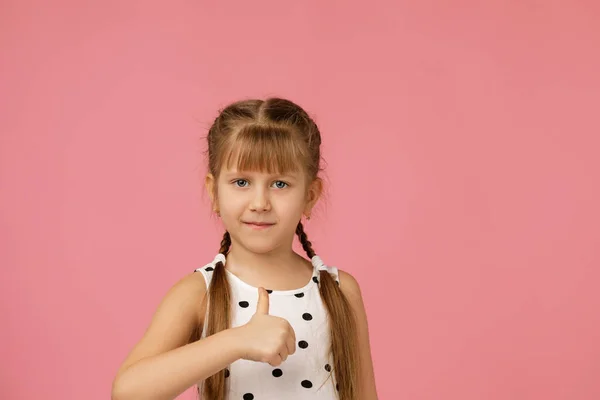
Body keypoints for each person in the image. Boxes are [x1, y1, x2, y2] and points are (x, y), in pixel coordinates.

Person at [111, 98, 378, 400]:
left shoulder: (340, 291)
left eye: (279, 184)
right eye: (241, 182)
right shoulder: (200, 293)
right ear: (214, 192)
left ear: (310, 195)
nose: (260, 203)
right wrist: (237, 341)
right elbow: (128, 391)